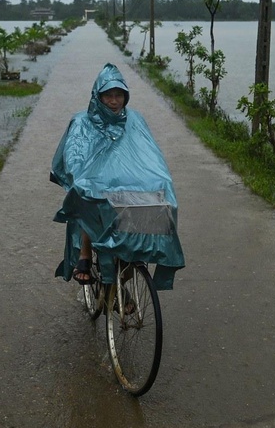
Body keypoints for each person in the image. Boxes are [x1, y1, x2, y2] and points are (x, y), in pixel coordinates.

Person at [50, 63, 185, 291]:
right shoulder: (82, 122)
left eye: (119, 95)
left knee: (160, 205)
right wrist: (84, 181)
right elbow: (74, 157)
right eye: (108, 96)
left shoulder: (136, 120)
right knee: (89, 202)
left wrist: (160, 181)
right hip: (98, 186)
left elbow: (151, 156)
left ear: (126, 96)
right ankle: (84, 255)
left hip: (130, 187)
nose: (114, 101)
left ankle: (124, 273)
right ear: (98, 97)